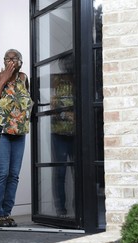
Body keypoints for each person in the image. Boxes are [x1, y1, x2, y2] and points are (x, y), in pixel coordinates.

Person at [0, 49, 33, 227]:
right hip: (1, 132)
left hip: (19, 133)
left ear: (21, 62)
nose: (12, 60)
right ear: (3, 61)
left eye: (15, 58)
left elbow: (26, 101)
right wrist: (4, 79)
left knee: (14, 175)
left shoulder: (23, 78)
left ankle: (6, 213)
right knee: (2, 173)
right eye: (8, 58)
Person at [50, 54, 75, 217]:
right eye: (64, 62)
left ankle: (79, 207)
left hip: (77, 133)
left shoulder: (79, 79)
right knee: (59, 172)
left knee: (79, 171)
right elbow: (52, 106)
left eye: (70, 62)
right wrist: (67, 114)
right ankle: (61, 210)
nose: (67, 65)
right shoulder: (56, 81)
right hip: (59, 132)